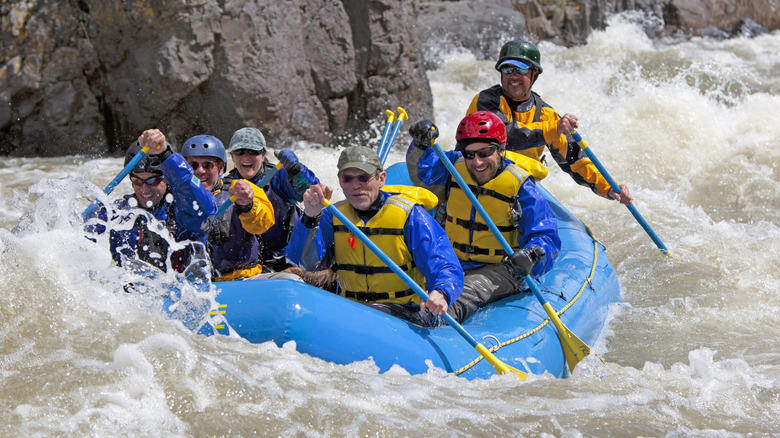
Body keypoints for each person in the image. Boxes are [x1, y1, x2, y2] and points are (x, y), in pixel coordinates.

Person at [406, 111, 561, 324]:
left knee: (469, 289)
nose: (477, 162)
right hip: (452, 261)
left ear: (502, 150)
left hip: (501, 268)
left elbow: (546, 235)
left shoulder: (522, 187)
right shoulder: (452, 167)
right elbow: (423, 172)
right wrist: (420, 144)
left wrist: (532, 254)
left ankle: (435, 320)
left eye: (485, 153)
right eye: (470, 155)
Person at [286, 146, 464, 327]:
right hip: (352, 308)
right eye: (348, 178)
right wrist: (310, 216)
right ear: (340, 181)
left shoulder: (411, 216)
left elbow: (445, 263)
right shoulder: (333, 216)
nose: (355, 185)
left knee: (375, 312)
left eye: (363, 177)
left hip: (405, 312)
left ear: (381, 179)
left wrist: (442, 292)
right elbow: (304, 263)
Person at [467, 39, 632, 205]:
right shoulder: (486, 102)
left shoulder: (547, 115)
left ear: (535, 74)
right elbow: (506, 136)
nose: (514, 75)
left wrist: (610, 188)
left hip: (516, 188)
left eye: (522, 69)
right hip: (478, 181)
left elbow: (576, 161)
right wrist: (552, 130)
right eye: (508, 69)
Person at [85, 129, 217, 277]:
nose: (144, 188)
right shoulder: (121, 212)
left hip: (185, 291)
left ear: (167, 179)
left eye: (153, 181)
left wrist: (165, 155)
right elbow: (85, 241)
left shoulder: (182, 208)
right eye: (137, 181)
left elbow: (206, 207)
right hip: (136, 292)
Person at [180, 134, 297, 281]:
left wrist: (247, 205)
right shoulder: (176, 198)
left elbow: (263, 223)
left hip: (245, 280)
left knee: (292, 280)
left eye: (208, 165)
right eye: (193, 166)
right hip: (202, 285)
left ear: (221, 168)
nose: (200, 171)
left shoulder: (240, 190)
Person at [224, 128, 321, 273]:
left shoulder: (279, 176)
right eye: (240, 152)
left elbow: (312, 193)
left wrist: (296, 170)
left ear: (263, 155)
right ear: (231, 156)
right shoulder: (225, 187)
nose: (246, 157)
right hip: (248, 266)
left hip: (288, 257)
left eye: (253, 152)